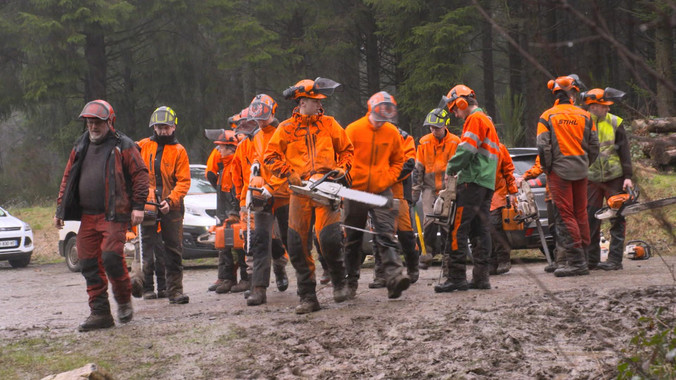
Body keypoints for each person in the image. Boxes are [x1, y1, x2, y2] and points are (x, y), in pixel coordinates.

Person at [55, 99, 149, 332]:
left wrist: (138, 206)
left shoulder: (124, 145)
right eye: (89, 122)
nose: (93, 127)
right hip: (88, 215)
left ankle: (124, 301)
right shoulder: (80, 146)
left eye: (98, 122)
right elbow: (68, 178)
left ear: (110, 122)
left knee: (110, 258)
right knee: (86, 261)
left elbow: (140, 175)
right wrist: (60, 209)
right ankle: (100, 313)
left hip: (114, 214)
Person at [264, 77, 353, 314]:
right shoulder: (285, 129)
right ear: (302, 101)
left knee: (330, 239)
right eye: (315, 101)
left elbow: (347, 151)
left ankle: (338, 279)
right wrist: (288, 173)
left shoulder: (330, 124)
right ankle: (308, 297)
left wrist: (341, 169)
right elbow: (270, 157)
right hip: (300, 191)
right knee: (296, 245)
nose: (319, 104)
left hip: (326, 188)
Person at [344, 91, 410, 299]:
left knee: (386, 234)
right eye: (380, 116)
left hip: (382, 190)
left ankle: (394, 279)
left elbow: (399, 160)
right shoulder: (353, 130)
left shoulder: (391, 133)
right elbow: (343, 156)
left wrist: (389, 178)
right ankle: (350, 281)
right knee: (353, 238)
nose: (383, 121)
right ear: (371, 110)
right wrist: (347, 179)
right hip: (355, 190)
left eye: (387, 117)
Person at [433, 85, 500, 293]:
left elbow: (467, 149)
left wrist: (451, 167)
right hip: (486, 182)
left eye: (454, 109)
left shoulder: (475, 119)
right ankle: (481, 277)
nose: (454, 113)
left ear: (462, 103)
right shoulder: (486, 119)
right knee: (479, 229)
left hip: (473, 181)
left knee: (457, 228)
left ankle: (456, 277)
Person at [536, 75, 599, 277]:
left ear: (555, 94)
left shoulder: (547, 116)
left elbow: (542, 146)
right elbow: (595, 146)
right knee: (581, 214)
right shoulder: (585, 116)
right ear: (572, 93)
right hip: (581, 170)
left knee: (565, 216)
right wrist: (585, 163)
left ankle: (576, 262)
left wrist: (548, 168)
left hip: (559, 172)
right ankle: (585, 259)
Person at [137, 106, 191, 303]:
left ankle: (174, 291)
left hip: (172, 206)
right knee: (147, 247)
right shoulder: (142, 146)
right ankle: (147, 287)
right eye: (159, 127)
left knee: (173, 249)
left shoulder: (179, 151)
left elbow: (184, 181)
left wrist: (171, 200)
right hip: (148, 203)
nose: (162, 131)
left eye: (166, 127)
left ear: (173, 127)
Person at [246, 93, 291, 306]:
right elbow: (259, 155)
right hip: (261, 193)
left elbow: (288, 164)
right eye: (257, 117)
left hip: (283, 192)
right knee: (261, 239)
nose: (260, 121)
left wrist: (272, 186)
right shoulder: (257, 136)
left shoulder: (284, 132)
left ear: (272, 112)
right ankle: (259, 289)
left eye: (263, 116)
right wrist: (255, 165)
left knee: (292, 239)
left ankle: (305, 282)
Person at [582, 88, 632, 271]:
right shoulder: (583, 122)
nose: (608, 109)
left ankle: (615, 260)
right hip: (591, 178)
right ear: (593, 106)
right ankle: (591, 259)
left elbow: (624, 151)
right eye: (604, 106)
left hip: (614, 177)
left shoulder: (615, 122)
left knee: (617, 218)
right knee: (590, 219)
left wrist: (628, 177)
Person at [369, 126, 419, 287]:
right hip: (378, 195)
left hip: (400, 194)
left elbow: (409, 163)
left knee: (406, 235)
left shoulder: (405, 138)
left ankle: (412, 268)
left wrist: (387, 176)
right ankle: (381, 274)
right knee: (379, 235)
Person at [412, 108, 460, 270]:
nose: (434, 130)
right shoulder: (424, 142)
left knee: (447, 224)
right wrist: (414, 192)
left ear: (445, 126)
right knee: (429, 221)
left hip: (448, 188)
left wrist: (457, 186)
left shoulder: (455, 142)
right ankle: (427, 253)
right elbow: (418, 168)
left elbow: (461, 166)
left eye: (437, 128)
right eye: (431, 127)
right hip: (429, 189)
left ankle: (448, 260)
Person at [205, 129, 243, 294]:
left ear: (231, 148)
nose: (218, 150)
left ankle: (245, 279)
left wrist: (235, 210)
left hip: (234, 211)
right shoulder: (222, 166)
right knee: (224, 245)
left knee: (240, 245)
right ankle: (228, 278)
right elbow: (213, 180)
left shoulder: (236, 164)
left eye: (221, 147)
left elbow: (238, 189)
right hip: (223, 210)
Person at [515, 156, 563, 272]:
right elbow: (540, 163)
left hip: (557, 192)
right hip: (556, 191)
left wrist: (525, 176)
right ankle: (563, 260)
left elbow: (540, 164)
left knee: (559, 227)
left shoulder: (552, 142)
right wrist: (525, 176)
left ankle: (563, 261)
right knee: (557, 227)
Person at [488, 143, 517, 275]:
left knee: (494, 225)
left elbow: (508, 170)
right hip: (480, 193)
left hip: (497, 192)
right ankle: (491, 262)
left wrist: (512, 192)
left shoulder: (500, 148)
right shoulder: (473, 146)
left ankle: (504, 258)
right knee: (483, 229)